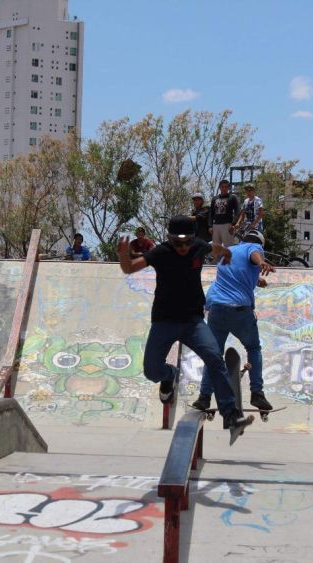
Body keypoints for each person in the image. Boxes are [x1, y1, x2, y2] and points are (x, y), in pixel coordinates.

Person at [117, 215, 254, 439]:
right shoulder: (160, 253)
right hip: (164, 321)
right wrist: (123, 254)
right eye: (178, 243)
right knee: (152, 371)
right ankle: (169, 374)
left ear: (193, 239)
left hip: (193, 321)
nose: (183, 247)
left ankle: (231, 414)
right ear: (170, 239)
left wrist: (227, 254)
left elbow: (216, 248)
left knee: (214, 356)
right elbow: (130, 268)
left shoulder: (199, 247)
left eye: (187, 242)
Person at [192, 230, 275, 417]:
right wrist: (261, 262)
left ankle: (204, 397)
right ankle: (257, 393)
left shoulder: (228, 251)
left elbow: (236, 276)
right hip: (239, 312)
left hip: (217, 310)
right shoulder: (254, 248)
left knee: (213, 354)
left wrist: (256, 280)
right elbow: (254, 256)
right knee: (253, 348)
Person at [209, 180, 240, 247]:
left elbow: (237, 211)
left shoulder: (232, 197)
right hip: (216, 225)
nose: (224, 188)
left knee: (229, 248)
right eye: (222, 187)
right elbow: (211, 213)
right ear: (220, 187)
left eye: (226, 187)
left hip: (227, 225)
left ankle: (230, 258)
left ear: (228, 188)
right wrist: (210, 226)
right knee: (216, 248)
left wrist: (233, 224)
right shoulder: (214, 198)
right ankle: (217, 258)